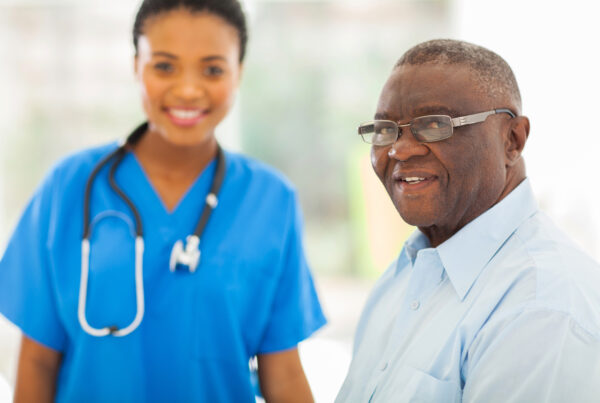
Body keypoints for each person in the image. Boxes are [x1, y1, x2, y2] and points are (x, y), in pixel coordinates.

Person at [0, 0, 326, 401]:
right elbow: (37, 361)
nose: (188, 89)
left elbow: (284, 371)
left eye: (212, 69)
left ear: (239, 72)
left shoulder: (271, 201)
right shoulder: (68, 188)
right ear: (136, 65)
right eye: (165, 66)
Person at [336, 39, 600, 402]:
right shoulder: (405, 274)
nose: (400, 148)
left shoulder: (542, 306)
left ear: (513, 139)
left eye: (433, 125)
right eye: (385, 129)